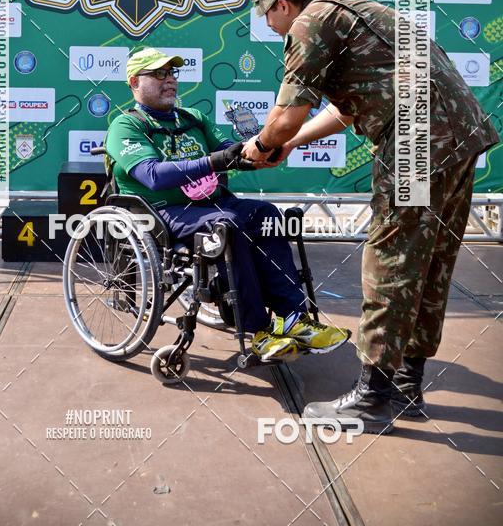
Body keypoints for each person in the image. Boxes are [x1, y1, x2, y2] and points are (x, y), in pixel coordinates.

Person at [243, 0, 499, 433]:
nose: (269, 26)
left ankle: (373, 395)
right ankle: (405, 386)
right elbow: (342, 113)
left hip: (417, 140)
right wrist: (290, 146)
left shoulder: (310, 23)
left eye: (267, 15)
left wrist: (262, 146)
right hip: (458, 135)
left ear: (282, 4)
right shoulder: (352, 11)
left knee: (391, 260)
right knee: (430, 262)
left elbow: (284, 117)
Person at [104, 46, 350, 362]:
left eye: (172, 73)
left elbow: (227, 151)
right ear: (135, 82)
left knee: (267, 214)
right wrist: (214, 161)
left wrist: (260, 153)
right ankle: (259, 330)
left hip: (213, 204)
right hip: (163, 212)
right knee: (229, 227)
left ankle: (294, 318)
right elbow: (152, 175)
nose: (170, 81)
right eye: (159, 74)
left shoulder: (193, 118)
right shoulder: (126, 126)